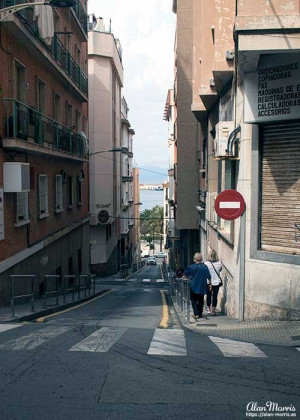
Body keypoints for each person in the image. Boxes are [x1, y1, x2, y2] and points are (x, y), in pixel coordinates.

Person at [184, 253, 211, 320]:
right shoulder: (204, 267)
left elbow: (185, 273)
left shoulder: (191, 267)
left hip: (193, 285)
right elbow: (209, 276)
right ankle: (200, 313)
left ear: (194, 259)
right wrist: (210, 284)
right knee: (201, 300)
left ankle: (196, 314)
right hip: (202, 285)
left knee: (193, 300)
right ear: (201, 258)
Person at [205, 250, 222, 316]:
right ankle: (213, 311)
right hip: (216, 282)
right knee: (215, 296)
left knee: (208, 295)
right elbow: (220, 270)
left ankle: (208, 308)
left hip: (208, 282)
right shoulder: (219, 263)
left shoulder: (206, 263)